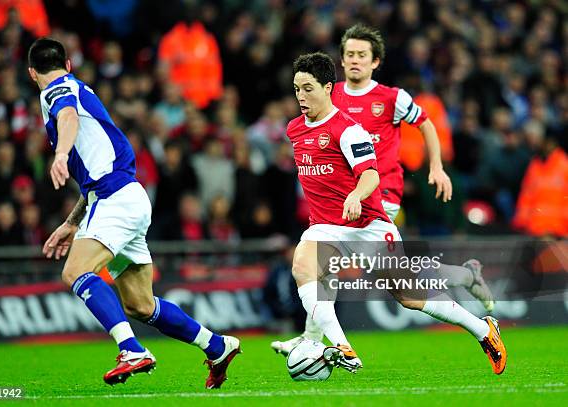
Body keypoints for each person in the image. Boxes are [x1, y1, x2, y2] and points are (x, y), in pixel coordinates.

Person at [276, 52, 506, 375]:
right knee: (305, 267)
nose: (301, 96)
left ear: (328, 88)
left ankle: (483, 329)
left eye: (308, 88)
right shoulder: (294, 129)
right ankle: (344, 349)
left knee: (409, 295)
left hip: (367, 225)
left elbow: (371, 175)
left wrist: (356, 195)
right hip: (325, 226)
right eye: (297, 88)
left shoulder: (349, 130)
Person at [28, 38, 240, 387]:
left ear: (32, 72)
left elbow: (65, 116)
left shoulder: (54, 91)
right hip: (125, 197)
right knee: (141, 306)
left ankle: (131, 349)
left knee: (75, 272)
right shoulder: (78, 85)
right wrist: (71, 223)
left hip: (114, 200)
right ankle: (216, 346)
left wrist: (61, 154)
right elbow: (93, 174)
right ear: (68, 63)